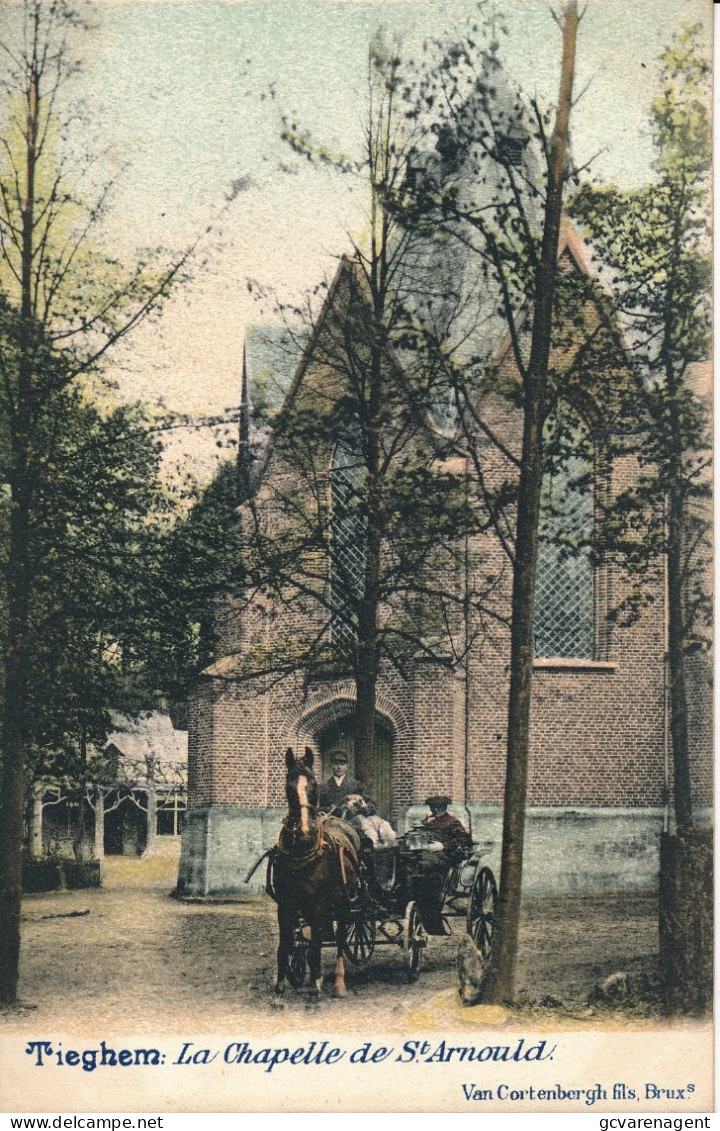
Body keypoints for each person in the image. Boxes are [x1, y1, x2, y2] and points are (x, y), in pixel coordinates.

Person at [318, 749, 367, 813]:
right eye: (336, 764)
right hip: (329, 820)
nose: (339, 767)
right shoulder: (323, 787)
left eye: (342, 764)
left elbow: (370, 807)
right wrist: (331, 808)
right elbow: (317, 808)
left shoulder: (356, 785)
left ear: (346, 766)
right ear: (331, 765)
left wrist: (355, 809)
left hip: (350, 821)